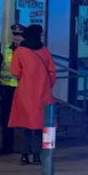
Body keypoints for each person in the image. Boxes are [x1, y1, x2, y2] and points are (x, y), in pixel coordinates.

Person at [9, 24, 56, 165]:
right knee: (40, 125)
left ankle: (24, 155)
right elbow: (52, 72)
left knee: (23, 124)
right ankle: (37, 155)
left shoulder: (20, 51)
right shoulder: (44, 51)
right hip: (43, 93)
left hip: (24, 92)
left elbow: (15, 71)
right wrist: (46, 86)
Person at [0, 24, 25, 155]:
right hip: (6, 88)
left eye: (19, 34)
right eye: (14, 34)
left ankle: (24, 147)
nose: (16, 37)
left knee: (23, 119)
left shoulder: (27, 50)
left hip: (22, 89)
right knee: (6, 118)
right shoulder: (4, 48)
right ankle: (7, 146)